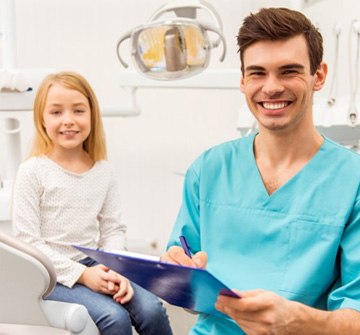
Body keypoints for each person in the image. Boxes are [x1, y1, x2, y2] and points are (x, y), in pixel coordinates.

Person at [162, 7, 360, 335]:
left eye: (288, 72)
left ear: (319, 76)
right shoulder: (209, 170)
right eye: (257, 73)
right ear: (242, 81)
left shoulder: (351, 180)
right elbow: (190, 294)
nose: (271, 87)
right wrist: (176, 279)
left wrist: (298, 321)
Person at [12, 71, 173, 335]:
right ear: (41, 118)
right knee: (114, 318)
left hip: (95, 264)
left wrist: (116, 269)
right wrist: (83, 275)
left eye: (78, 111)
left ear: (91, 115)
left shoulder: (103, 171)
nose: (68, 121)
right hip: (51, 275)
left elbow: (112, 230)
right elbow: (29, 242)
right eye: (56, 112)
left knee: (152, 310)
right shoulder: (33, 171)